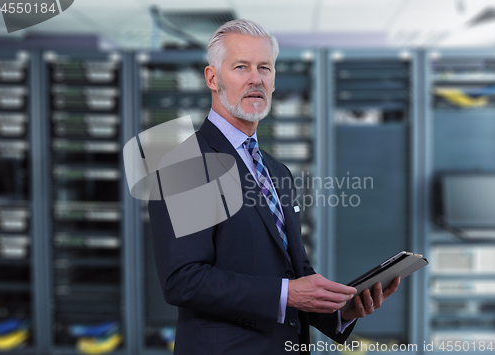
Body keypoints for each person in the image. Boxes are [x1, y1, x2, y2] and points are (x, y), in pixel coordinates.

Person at [148, 19, 400, 355]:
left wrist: (339, 310)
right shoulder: (190, 164)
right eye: (241, 67)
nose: (256, 78)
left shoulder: (277, 171)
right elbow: (185, 280)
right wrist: (286, 294)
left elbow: (294, 273)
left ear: (274, 80)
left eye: (264, 68)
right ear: (213, 78)